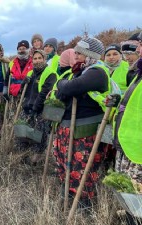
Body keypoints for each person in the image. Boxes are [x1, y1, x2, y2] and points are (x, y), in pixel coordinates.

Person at [53, 37, 110, 209]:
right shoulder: (80, 71)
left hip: (86, 130)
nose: (75, 55)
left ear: (89, 54)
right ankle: (70, 194)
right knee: (65, 162)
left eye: (79, 52)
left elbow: (69, 88)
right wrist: (63, 85)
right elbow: (60, 93)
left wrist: (64, 85)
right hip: (69, 125)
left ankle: (84, 203)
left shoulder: (97, 72)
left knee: (82, 167)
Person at [109, 33, 142, 225]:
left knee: (137, 200)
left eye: (141, 45)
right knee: (130, 196)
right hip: (128, 144)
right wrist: (119, 102)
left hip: (137, 150)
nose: (137, 50)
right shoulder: (139, 73)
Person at [15, 50, 57, 163]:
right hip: (27, 108)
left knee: (38, 136)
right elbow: (21, 92)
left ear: (44, 59)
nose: (37, 60)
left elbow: (44, 94)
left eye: (40, 58)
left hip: (41, 110)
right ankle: (21, 156)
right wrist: (23, 83)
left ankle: (36, 160)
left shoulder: (50, 73)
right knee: (21, 132)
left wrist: (35, 109)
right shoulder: (30, 73)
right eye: (35, 58)